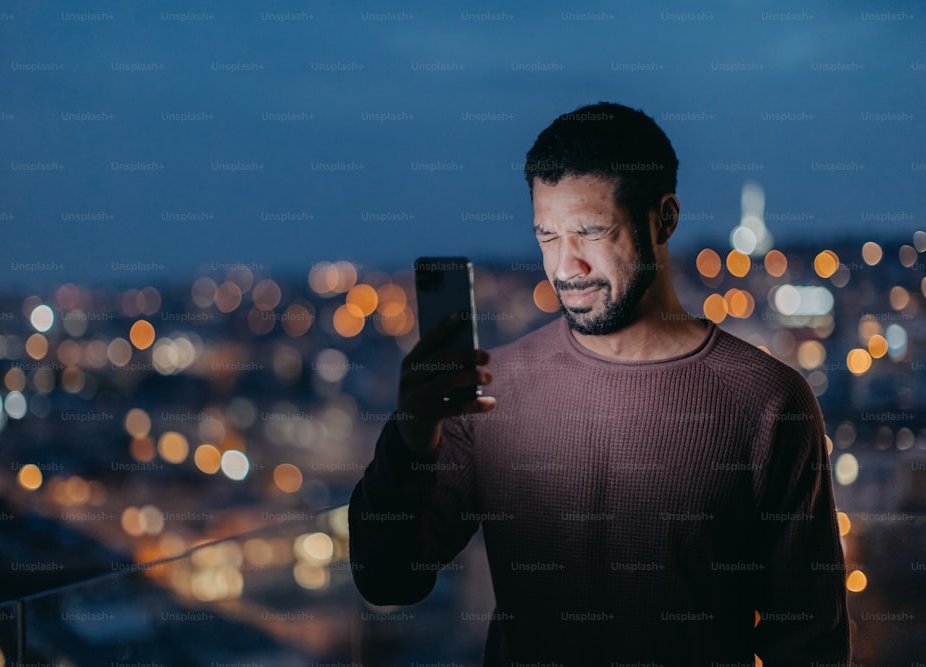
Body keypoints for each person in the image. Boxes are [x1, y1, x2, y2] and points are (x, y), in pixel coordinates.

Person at [348, 102, 851, 665]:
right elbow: (388, 579)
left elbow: (809, 644)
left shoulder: (767, 401)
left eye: (590, 232)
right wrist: (411, 441)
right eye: (547, 237)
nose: (567, 267)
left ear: (664, 218)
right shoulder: (491, 388)